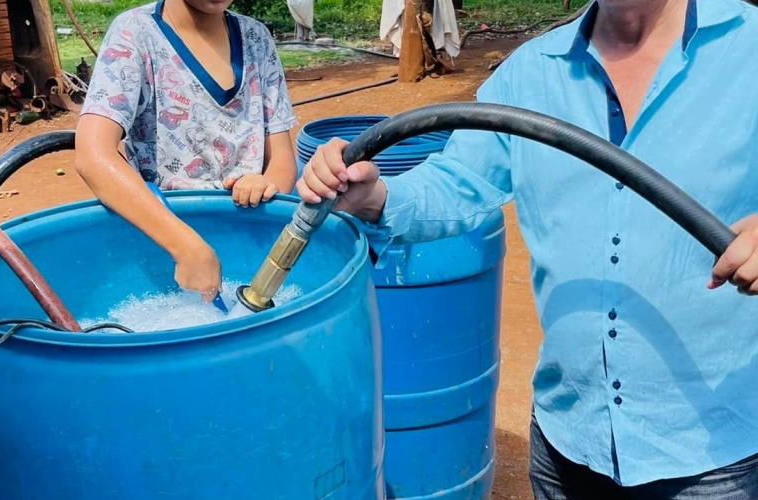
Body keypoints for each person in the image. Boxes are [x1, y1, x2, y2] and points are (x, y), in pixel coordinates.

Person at [297, 0, 758, 498]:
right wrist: (378, 197)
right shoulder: (532, 72)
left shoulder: (747, 48)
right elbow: (460, 179)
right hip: (569, 439)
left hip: (711, 455)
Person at [75, 0, 297, 303]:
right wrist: (186, 247)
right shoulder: (135, 35)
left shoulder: (256, 39)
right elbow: (92, 156)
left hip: (249, 237)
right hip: (164, 246)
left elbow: (282, 161)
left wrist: (268, 184)